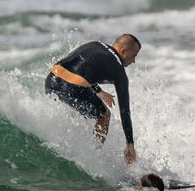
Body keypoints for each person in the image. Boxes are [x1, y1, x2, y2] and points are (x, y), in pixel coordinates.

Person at [46, 35, 142, 164]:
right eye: (133, 56)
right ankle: (94, 155)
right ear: (123, 51)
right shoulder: (119, 72)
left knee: (81, 112)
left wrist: (99, 92)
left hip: (51, 81)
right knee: (104, 115)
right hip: (72, 89)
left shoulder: (95, 44)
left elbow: (80, 68)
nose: (134, 61)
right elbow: (125, 111)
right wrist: (130, 144)